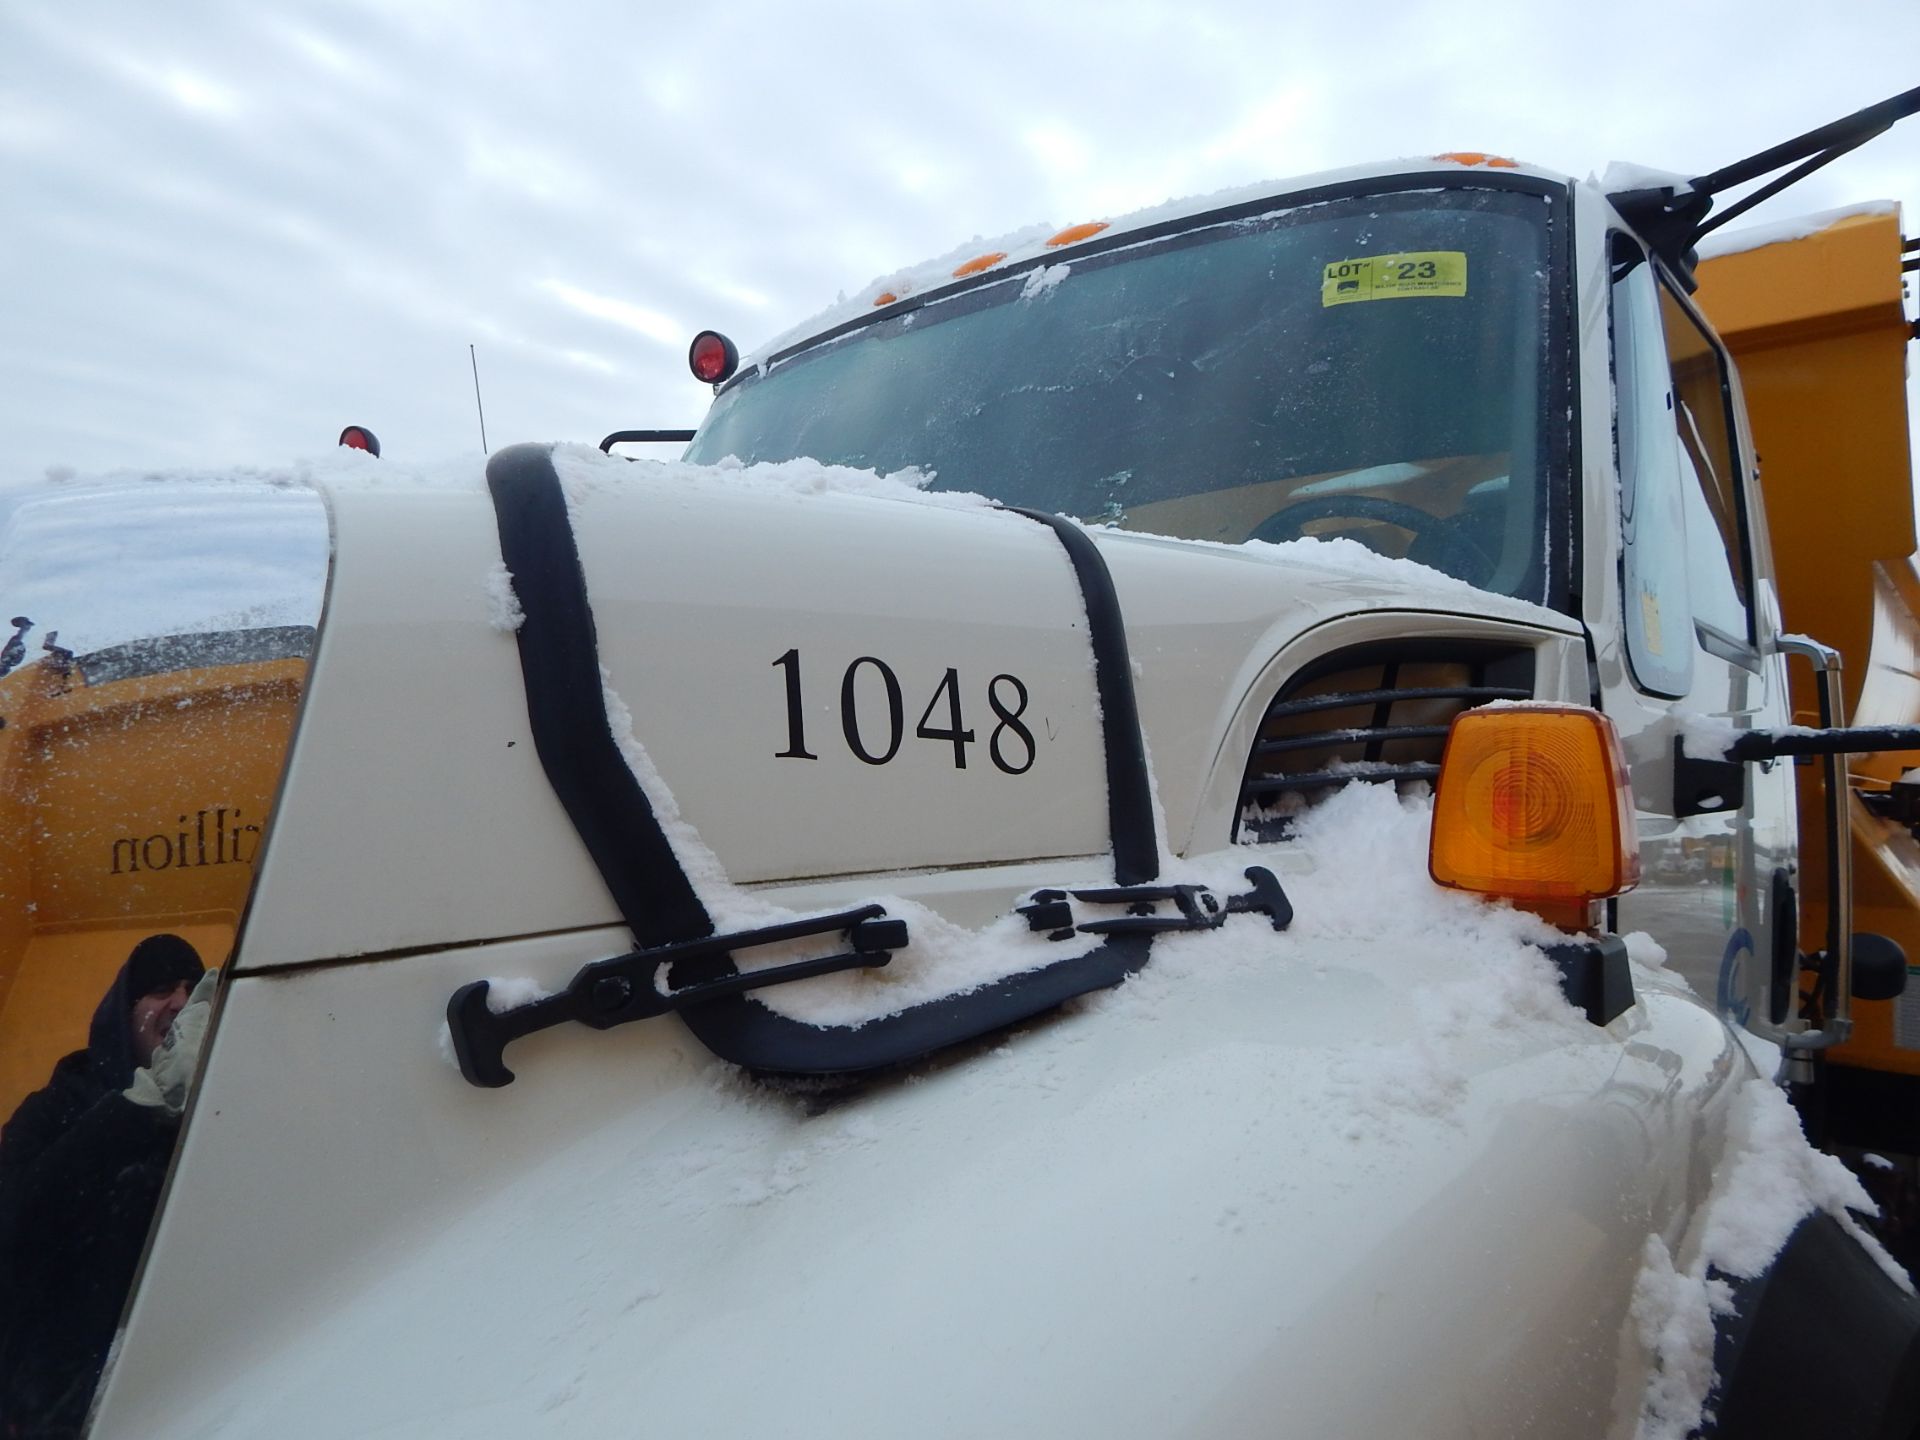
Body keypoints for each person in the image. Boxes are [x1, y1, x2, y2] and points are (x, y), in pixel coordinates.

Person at [0, 935, 214, 1438]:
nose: (180, 1002)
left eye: (193, 991)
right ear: (125, 1011)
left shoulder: (221, 1112)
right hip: (64, 1405)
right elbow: (16, 1224)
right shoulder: (58, 1106)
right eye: (161, 990)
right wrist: (138, 1108)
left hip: (196, 1386)